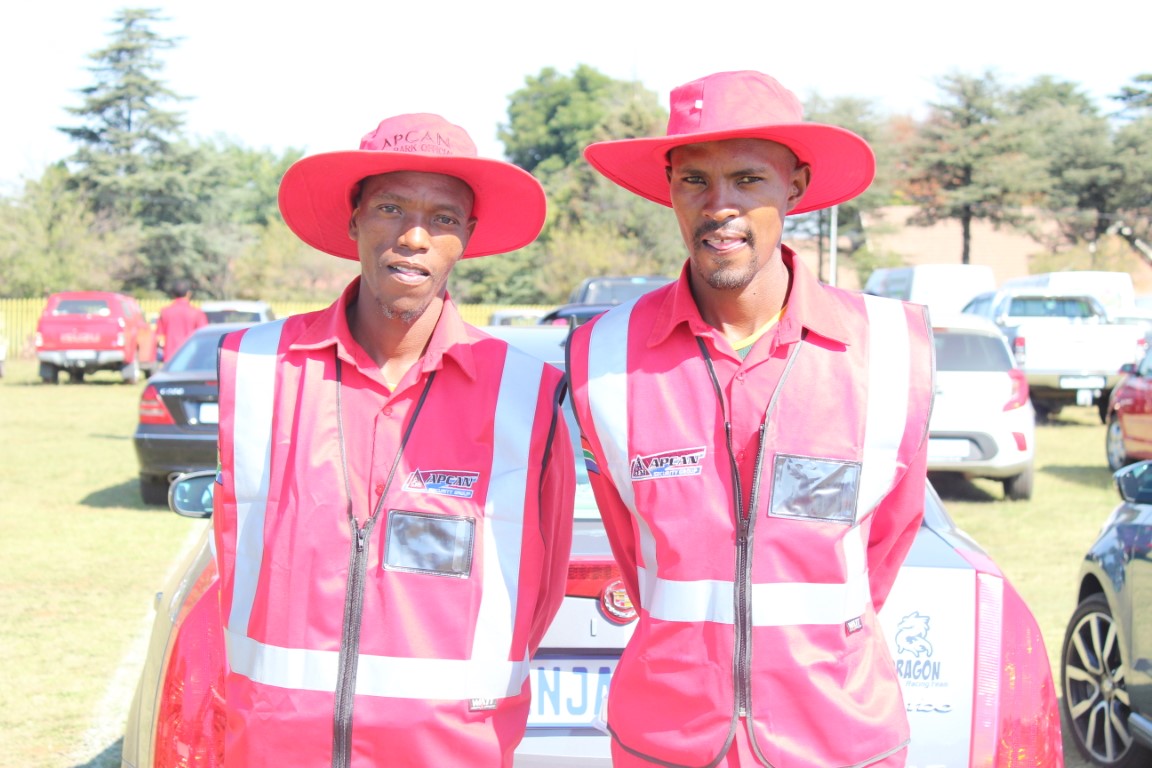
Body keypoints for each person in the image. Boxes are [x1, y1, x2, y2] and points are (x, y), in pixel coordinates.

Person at [566, 71, 935, 767]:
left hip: (836, 740)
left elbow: (888, 541)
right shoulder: (604, 354)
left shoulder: (892, 348)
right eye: (694, 180)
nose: (719, 206)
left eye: (747, 179)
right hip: (668, 741)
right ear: (670, 188)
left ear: (796, 185)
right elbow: (634, 548)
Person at [212, 113, 575, 767]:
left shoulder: (527, 394)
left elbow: (541, 593)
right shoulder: (258, 367)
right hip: (272, 748)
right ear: (354, 220)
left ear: (466, 236)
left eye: (442, 217)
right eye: (390, 208)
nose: (413, 236)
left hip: (449, 753)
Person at [156, 278, 206, 359]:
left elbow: (159, 337)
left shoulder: (165, 312)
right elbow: (203, 337)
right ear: (188, 293)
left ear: (173, 294)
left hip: (171, 359)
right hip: (190, 358)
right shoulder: (197, 313)